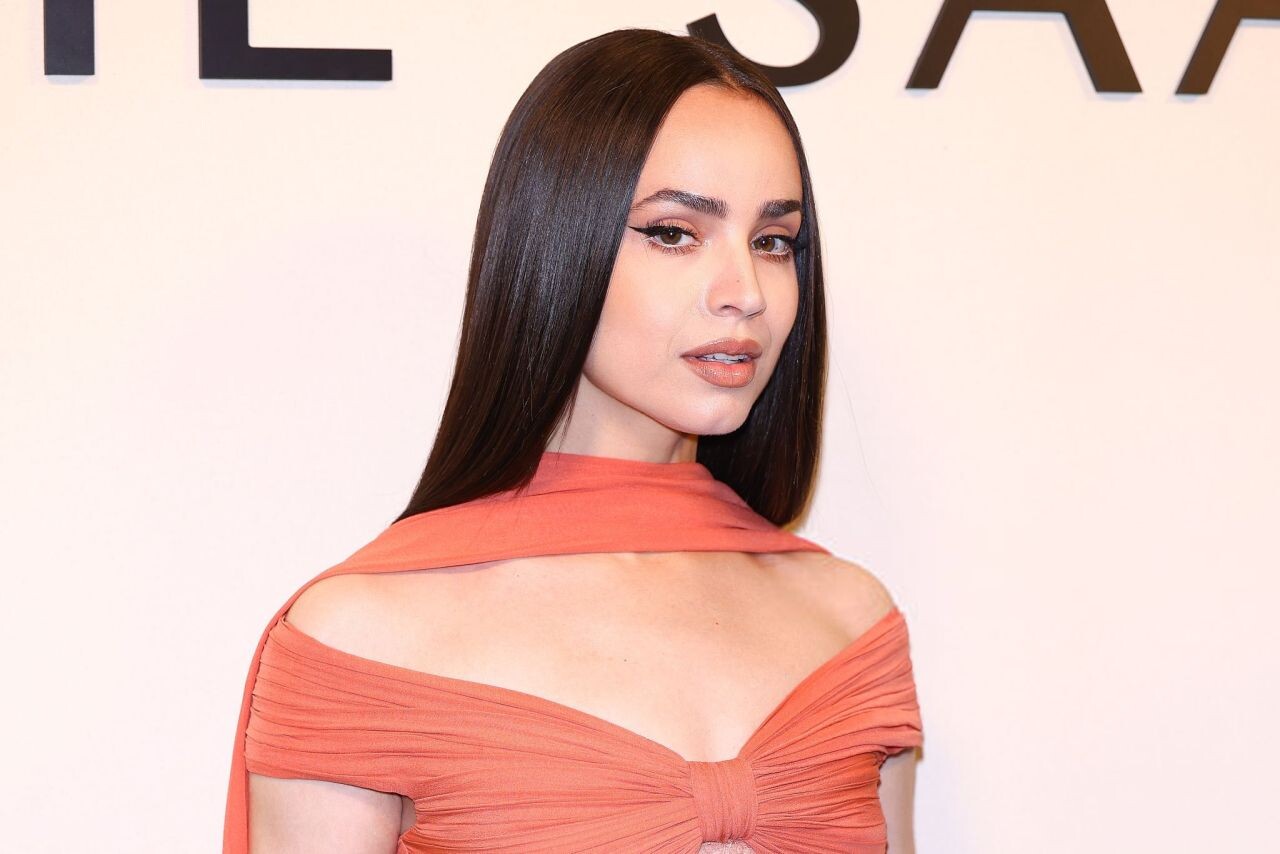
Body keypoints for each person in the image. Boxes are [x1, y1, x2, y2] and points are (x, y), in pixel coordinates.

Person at [224, 27, 923, 854]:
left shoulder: (851, 624)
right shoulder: (363, 637)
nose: (746, 293)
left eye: (773, 242)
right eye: (674, 232)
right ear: (557, 242)